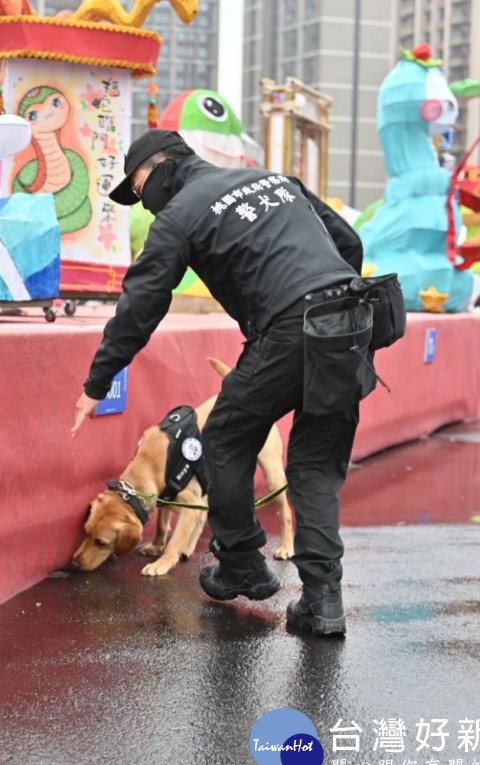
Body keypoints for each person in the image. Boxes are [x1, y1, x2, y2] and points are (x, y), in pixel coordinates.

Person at [70, 130, 366, 637]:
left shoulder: (179, 215)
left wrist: (97, 382)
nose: (141, 202)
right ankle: (323, 602)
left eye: (138, 189)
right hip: (352, 321)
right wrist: (335, 316)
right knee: (314, 465)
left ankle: (241, 564)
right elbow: (348, 243)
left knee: (223, 441)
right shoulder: (274, 180)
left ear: (162, 169)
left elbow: (142, 303)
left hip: (289, 328)